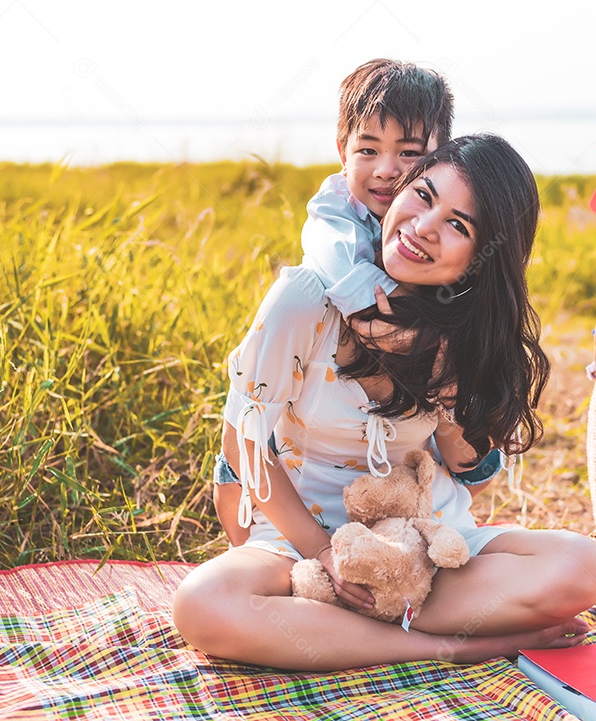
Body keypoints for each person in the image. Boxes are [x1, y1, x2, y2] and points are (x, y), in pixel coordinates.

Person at [173, 134, 596, 671]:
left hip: (424, 546)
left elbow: (472, 470)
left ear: (480, 261)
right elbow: (241, 444)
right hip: (303, 541)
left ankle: (353, 625)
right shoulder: (307, 299)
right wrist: (325, 553)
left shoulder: (468, 332)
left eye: (458, 225)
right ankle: (457, 645)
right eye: (424, 196)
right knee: (201, 605)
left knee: (582, 566)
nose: (423, 227)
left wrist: (445, 381)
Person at [214, 58, 504, 546]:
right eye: (367, 149)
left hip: (410, 493)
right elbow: (332, 259)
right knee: (231, 564)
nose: (386, 171)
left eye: (409, 153)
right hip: (284, 472)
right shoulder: (332, 228)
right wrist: (373, 314)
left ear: (442, 158)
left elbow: (473, 467)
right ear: (341, 152)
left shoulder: (451, 262)